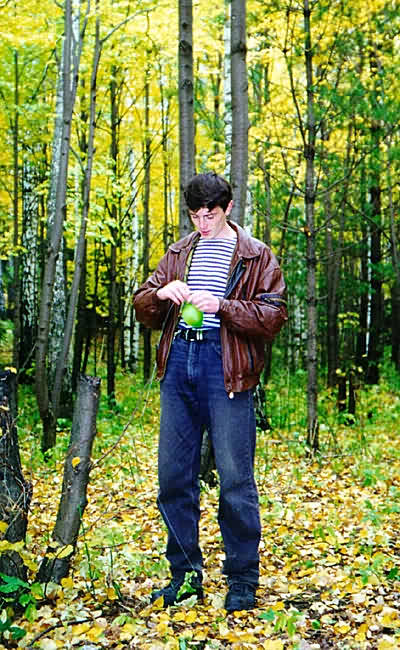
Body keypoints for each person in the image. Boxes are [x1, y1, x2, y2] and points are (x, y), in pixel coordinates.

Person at [133, 172, 287, 612]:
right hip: (178, 363)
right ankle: (184, 578)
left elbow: (274, 317)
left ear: (228, 208)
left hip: (228, 369)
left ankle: (242, 580)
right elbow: (143, 306)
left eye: (210, 215)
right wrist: (160, 293)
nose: (202, 224)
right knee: (173, 477)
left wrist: (222, 306)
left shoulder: (256, 255)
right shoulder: (179, 252)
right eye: (195, 216)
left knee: (235, 479)